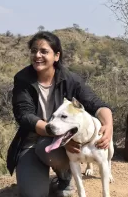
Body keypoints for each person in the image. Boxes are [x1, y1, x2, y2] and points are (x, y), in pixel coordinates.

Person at [6, 31, 113, 197]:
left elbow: (95, 103)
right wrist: (57, 135)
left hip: (58, 142)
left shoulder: (69, 79)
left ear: (56, 56)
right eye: (34, 51)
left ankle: (64, 178)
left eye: (44, 51)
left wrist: (108, 124)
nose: (37, 55)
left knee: (47, 149)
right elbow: (24, 115)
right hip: (31, 142)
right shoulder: (22, 79)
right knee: (33, 194)